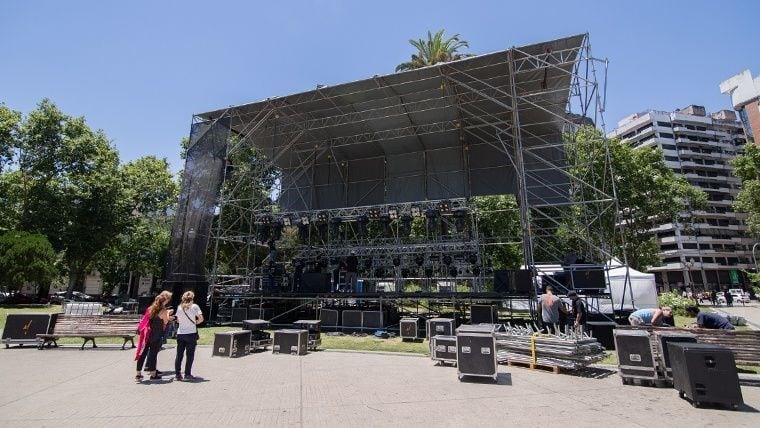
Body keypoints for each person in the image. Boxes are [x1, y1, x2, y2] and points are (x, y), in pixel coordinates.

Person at [135, 292, 173, 381]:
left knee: (143, 353)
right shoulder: (163, 311)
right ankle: (153, 373)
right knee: (153, 354)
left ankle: (138, 373)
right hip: (156, 334)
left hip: (147, 334)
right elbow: (165, 321)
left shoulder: (149, 309)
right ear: (163, 302)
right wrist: (168, 313)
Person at [175, 291, 205, 381]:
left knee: (179, 354)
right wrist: (194, 323)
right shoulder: (194, 306)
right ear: (192, 298)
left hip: (181, 333)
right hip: (191, 333)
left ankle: (177, 373)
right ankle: (187, 373)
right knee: (190, 355)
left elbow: (178, 320)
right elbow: (201, 319)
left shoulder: (179, 307)